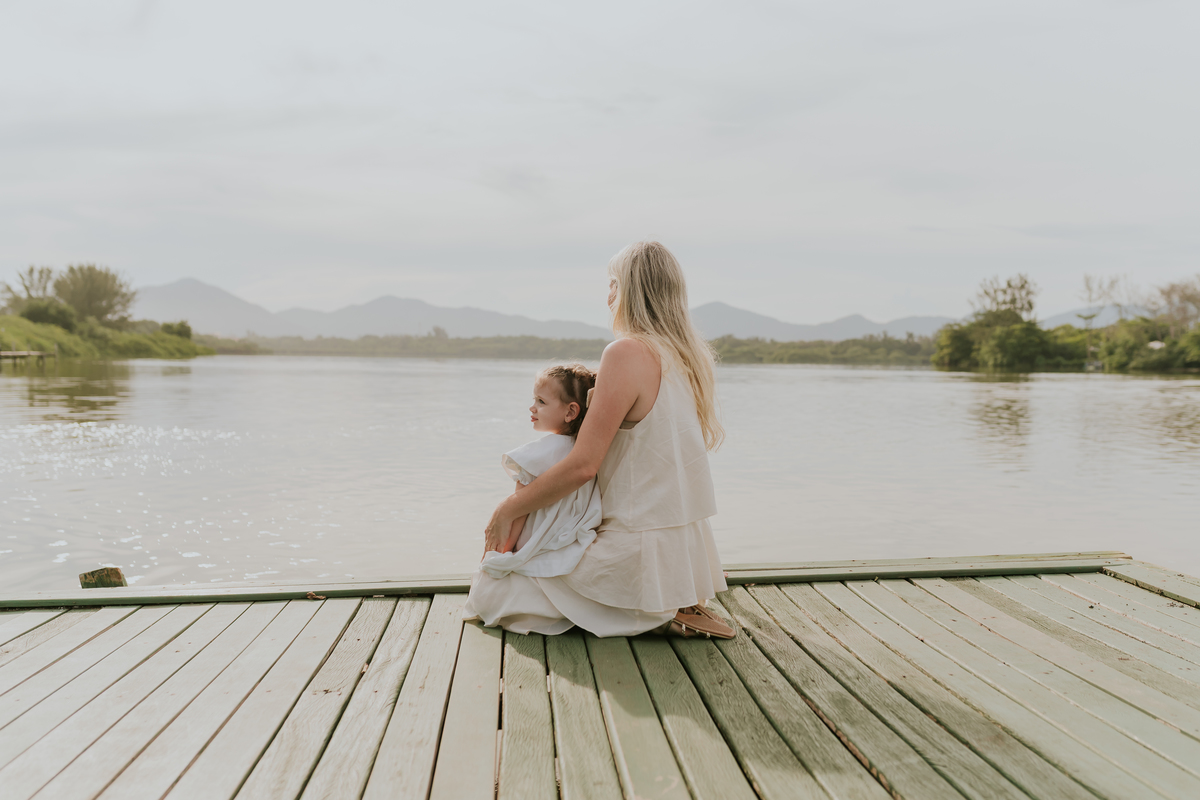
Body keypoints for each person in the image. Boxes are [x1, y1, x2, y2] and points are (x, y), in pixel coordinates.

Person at [471, 240, 734, 639]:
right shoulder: (687, 358)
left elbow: (583, 465)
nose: (608, 295)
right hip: (679, 562)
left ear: (630, 290)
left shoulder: (627, 353)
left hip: (635, 563)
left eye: (613, 284)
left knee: (491, 594)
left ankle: (655, 614)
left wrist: (506, 510)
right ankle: (670, 606)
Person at [463, 365, 601, 602]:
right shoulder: (585, 454)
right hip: (566, 549)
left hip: (531, 546)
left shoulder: (538, 455)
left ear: (570, 412)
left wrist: (494, 562)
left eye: (541, 401)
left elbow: (515, 520)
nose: (532, 407)